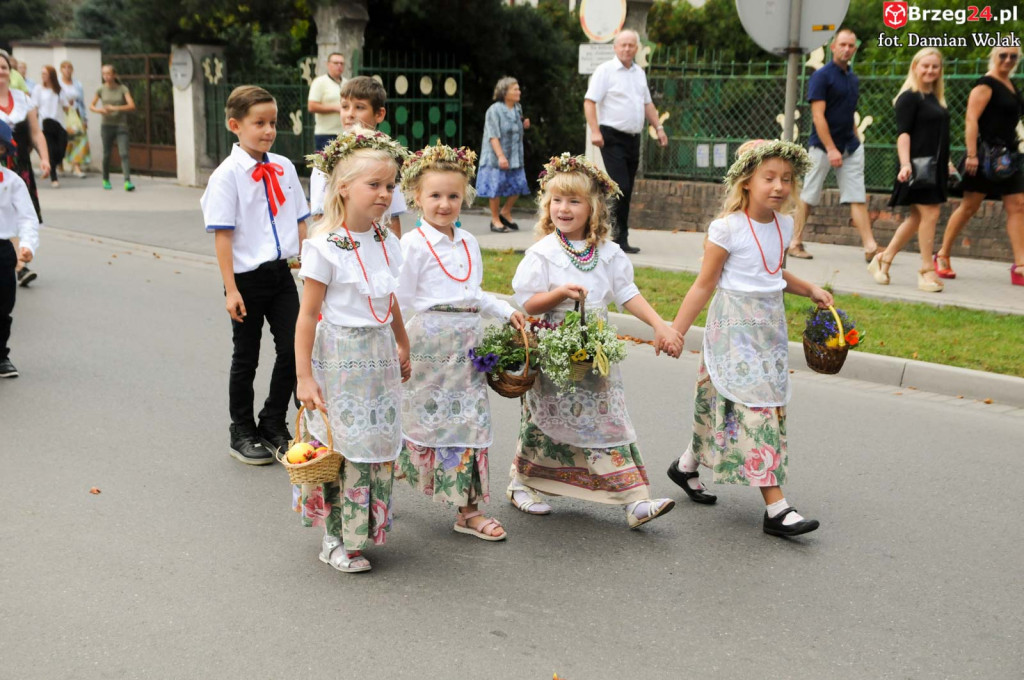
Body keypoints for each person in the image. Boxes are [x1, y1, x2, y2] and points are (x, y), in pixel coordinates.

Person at [664, 140, 832, 538]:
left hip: (769, 330)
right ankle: (777, 508)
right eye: (769, 178)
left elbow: (771, 271)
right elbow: (704, 285)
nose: (779, 186)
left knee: (723, 403)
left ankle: (686, 465)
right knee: (755, 411)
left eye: (787, 179)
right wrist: (676, 330)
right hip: (733, 329)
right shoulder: (727, 229)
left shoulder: (784, 224)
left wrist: (808, 287)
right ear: (746, 181)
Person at [507, 153, 680, 529]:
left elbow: (627, 293)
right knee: (545, 417)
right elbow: (528, 300)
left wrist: (660, 326)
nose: (563, 209)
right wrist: (559, 295)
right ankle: (522, 482)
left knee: (608, 417)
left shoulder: (607, 253)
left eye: (574, 201)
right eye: (556, 200)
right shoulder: (543, 253)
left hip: (593, 349)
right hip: (555, 346)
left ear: (594, 208)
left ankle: (634, 500)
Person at [294, 127, 412, 573]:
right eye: (374, 185)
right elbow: (307, 316)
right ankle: (334, 538)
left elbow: (389, 299)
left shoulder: (387, 241)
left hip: (379, 356)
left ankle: (361, 530)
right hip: (341, 357)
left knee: (375, 444)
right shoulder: (324, 245)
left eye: (390, 186)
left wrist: (402, 340)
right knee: (343, 448)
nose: (384, 194)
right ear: (342, 188)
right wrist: (305, 376)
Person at [395, 142, 525, 541]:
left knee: (469, 425)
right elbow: (398, 301)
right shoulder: (412, 245)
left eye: (453, 195)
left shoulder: (467, 243)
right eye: (435, 195)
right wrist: (398, 347)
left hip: (466, 351)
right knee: (420, 422)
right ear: (416, 197)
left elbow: (475, 293)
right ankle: (384, 484)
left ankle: (468, 511)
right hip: (428, 350)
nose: (444, 204)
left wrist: (506, 310)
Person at [200, 86, 310, 465]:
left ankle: (273, 421)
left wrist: (307, 268)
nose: (268, 130)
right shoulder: (226, 176)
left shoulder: (284, 167)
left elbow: (301, 221)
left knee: (294, 351)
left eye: (273, 123)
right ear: (235, 125)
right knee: (246, 357)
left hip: (282, 276)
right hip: (245, 279)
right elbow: (223, 236)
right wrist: (231, 290)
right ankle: (241, 430)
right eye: (259, 123)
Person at [935, 45, 1024, 286]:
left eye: (1013, 56)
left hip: (1009, 156)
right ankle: (942, 254)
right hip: (985, 156)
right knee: (969, 206)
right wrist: (972, 155)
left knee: (1018, 205)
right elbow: (971, 119)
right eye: (1002, 55)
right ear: (994, 57)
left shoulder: (1011, 85)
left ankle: (1020, 266)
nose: (1007, 60)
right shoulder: (985, 83)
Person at [790, 28, 882, 262]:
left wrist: (855, 140)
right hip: (821, 147)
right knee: (809, 195)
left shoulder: (852, 78)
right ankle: (794, 242)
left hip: (850, 146)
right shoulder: (822, 76)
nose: (846, 49)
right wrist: (831, 148)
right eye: (842, 44)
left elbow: (848, 112)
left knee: (857, 196)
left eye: (851, 45)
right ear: (833, 47)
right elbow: (818, 116)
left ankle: (871, 247)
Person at [871, 48, 952, 293]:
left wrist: (946, 162)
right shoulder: (909, 97)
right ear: (915, 67)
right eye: (925, 65)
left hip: (934, 167)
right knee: (930, 214)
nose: (929, 70)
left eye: (934, 66)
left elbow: (937, 137)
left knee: (917, 217)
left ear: (940, 70)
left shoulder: (935, 98)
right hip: (915, 167)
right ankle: (926, 270)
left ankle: (883, 260)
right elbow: (903, 134)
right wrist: (905, 164)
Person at [584, 29, 669, 254]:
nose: (627, 48)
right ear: (615, 47)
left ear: (636, 48)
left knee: (627, 190)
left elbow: (647, 104)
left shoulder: (639, 73)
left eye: (631, 45)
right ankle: (604, 230)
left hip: (633, 138)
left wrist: (658, 128)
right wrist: (595, 131)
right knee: (621, 185)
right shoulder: (606, 71)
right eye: (623, 45)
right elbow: (590, 102)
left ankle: (621, 238)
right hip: (611, 136)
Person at [308, 76, 407, 237]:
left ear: (379, 114)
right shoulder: (328, 159)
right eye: (345, 107)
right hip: (339, 242)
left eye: (359, 107)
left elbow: (392, 218)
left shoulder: (388, 158)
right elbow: (320, 215)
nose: (350, 114)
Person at [0, 53, 49, 288]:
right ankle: (18, 265)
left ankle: (21, 258)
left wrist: (45, 159)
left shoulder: (23, 98)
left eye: (4, 67)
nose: (1, 71)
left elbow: (36, 133)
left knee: (22, 211)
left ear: (11, 71)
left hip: (20, 165)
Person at [0, 121, 40, 379]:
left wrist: (27, 245)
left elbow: (27, 217)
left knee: (3, 305)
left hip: (2, 249)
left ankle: (0, 355)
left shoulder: (12, 181)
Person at [476, 76, 531, 233]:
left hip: (515, 156)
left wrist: (524, 124)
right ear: (504, 92)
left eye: (518, 89)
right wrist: (500, 156)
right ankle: (495, 220)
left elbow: (516, 126)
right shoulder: (494, 110)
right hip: (495, 156)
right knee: (496, 188)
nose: (519, 91)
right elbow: (493, 135)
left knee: (519, 185)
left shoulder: (517, 108)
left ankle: (505, 212)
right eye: (515, 89)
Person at [89, 64, 136, 191]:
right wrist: (100, 111)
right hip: (106, 125)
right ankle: (105, 179)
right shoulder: (101, 89)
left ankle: (127, 181)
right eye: (104, 74)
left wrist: (115, 108)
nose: (106, 77)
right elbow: (91, 106)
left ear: (114, 75)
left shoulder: (122, 89)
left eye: (109, 74)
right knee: (107, 153)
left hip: (121, 125)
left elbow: (131, 105)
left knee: (124, 153)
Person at [31, 66, 67, 188]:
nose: (43, 76)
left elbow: (66, 106)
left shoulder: (59, 90)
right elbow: (34, 107)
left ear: (51, 75)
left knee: (61, 151)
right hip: (45, 124)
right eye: (42, 74)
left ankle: (49, 166)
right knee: (50, 151)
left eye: (45, 74)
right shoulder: (38, 89)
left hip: (59, 123)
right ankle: (54, 177)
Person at [307, 52, 346, 152]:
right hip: (325, 134)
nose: (339, 66)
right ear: (328, 64)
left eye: (342, 63)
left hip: (344, 133)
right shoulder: (319, 82)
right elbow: (311, 106)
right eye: (336, 63)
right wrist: (335, 107)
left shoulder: (347, 83)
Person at [59, 61, 90, 178]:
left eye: (69, 68)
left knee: (78, 139)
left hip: (76, 114)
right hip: (63, 115)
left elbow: (82, 102)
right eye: (64, 68)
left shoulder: (77, 84)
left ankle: (76, 166)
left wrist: (85, 119)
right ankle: (60, 164)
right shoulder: (58, 83)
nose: (67, 70)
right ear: (61, 70)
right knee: (63, 140)